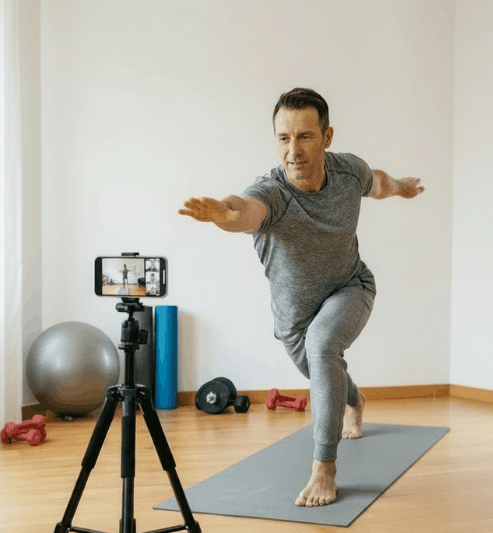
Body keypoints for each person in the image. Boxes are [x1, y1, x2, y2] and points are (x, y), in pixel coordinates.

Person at [178, 88, 424, 507]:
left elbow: (378, 182)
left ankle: (323, 468)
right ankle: (355, 400)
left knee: (324, 343)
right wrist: (223, 213)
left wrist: (402, 187)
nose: (294, 151)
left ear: (327, 136)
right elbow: (245, 211)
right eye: (283, 138)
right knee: (320, 364)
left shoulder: (349, 173)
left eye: (305, 136)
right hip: (292, 319)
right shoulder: (271, 192)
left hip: (351, 287)